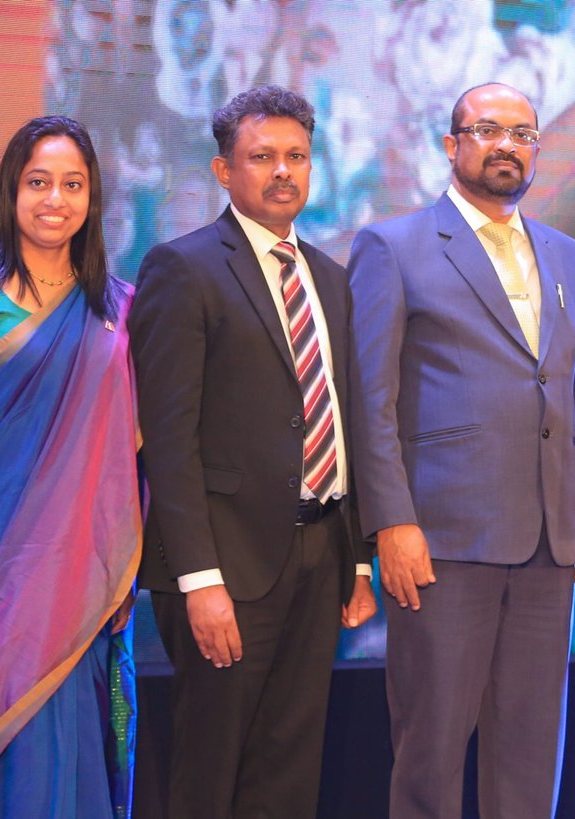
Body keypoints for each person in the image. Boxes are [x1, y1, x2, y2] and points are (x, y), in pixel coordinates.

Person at [346, 82, 575, 818]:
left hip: (549, 542)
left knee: (530, 754)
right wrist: (390, 522)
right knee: (429, 753)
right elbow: (370, 400)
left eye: (522, 134)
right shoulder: (392, 246)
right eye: (488, 129)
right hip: (442, 539)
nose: (506, 146)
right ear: (451, 144)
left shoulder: (565, 254)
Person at [128, 85, 376, 818]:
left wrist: (358, 560)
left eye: (296, 156)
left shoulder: (331, 278)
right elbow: (168, 440)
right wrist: (200, 579)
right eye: (262, 156)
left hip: (319, 554)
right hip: (224, 565)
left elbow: (346, 420)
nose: (283, 171)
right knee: (211, 769)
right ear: (223, 170)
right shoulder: (182, 268)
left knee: (289, 768)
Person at [0, 116, 141, 817]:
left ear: (92, 197)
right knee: (1, 733)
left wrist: (119, 563)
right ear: (11, 191)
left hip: (81, 572)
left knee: (73, 742)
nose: (55, 199)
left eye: (73, 184)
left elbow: (127, 450)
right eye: (38, 182)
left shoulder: (119, 307)